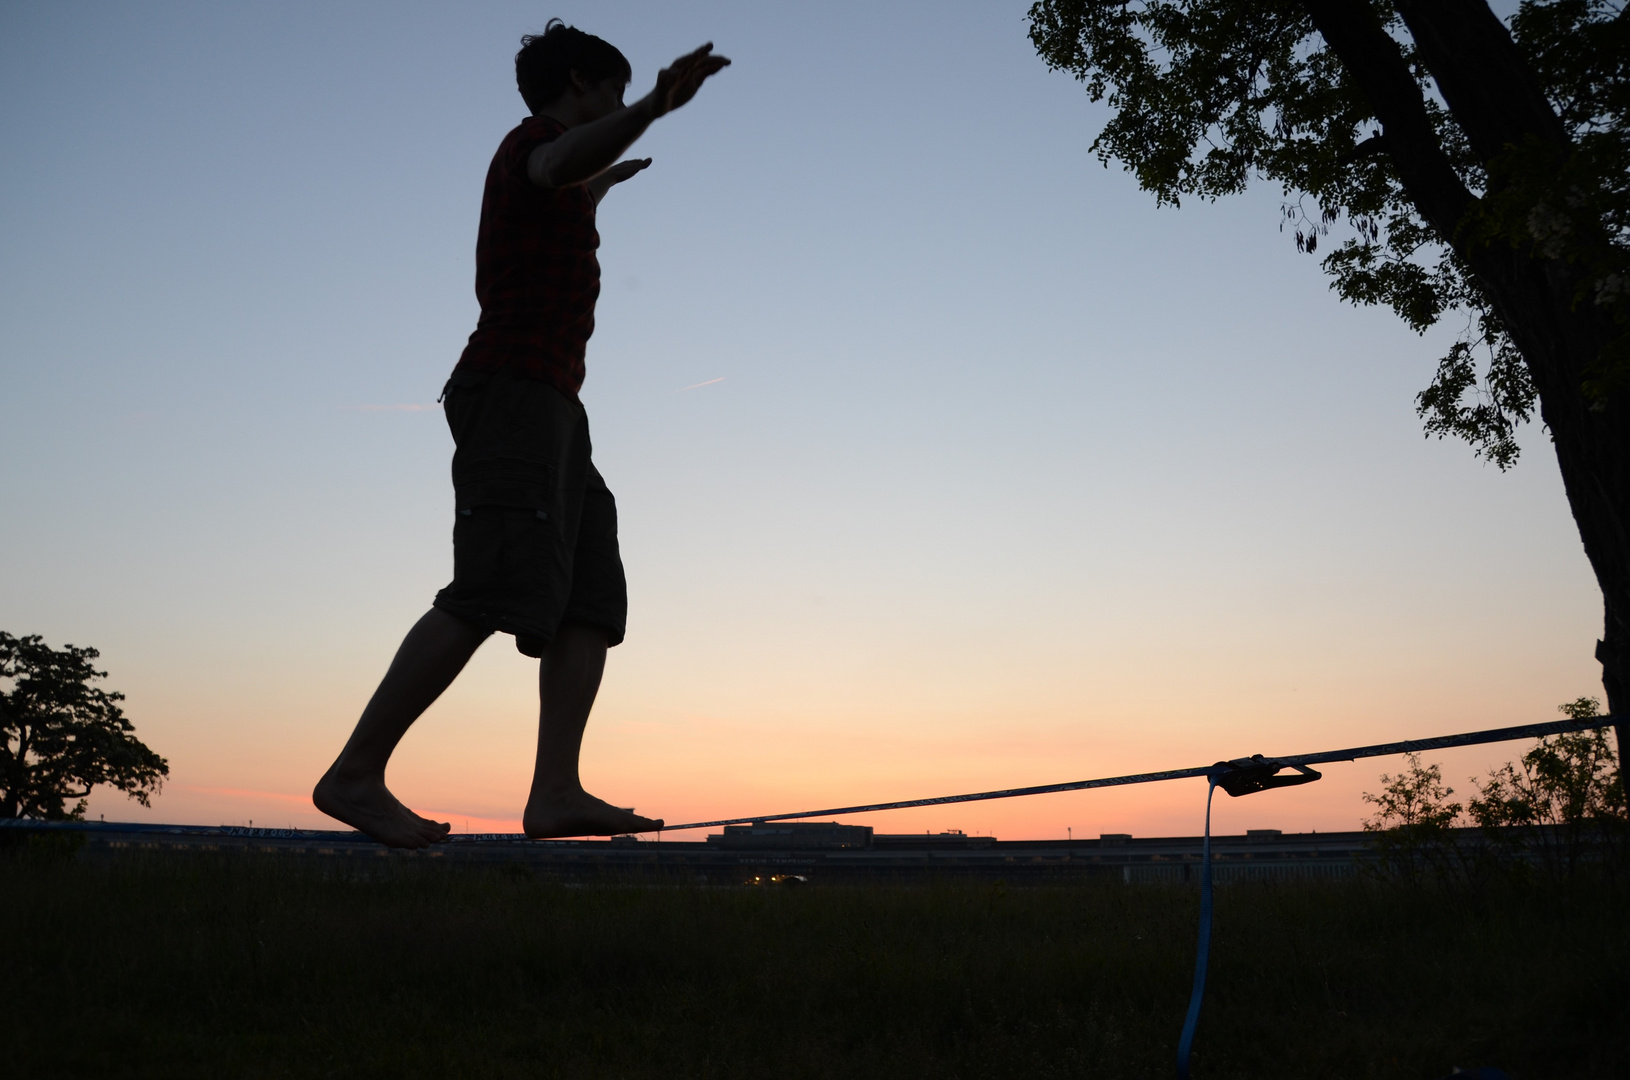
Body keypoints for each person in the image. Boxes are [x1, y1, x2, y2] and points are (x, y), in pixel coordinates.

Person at [313, 22, 730, 848]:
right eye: (610, 89)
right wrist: (653, 106)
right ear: (580, 84)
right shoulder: (534, 144)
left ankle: (555, 789)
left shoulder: (565, 179)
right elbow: (553, 165)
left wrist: (605, 181)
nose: (616, 101)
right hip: (512, 394)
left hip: (554, 409)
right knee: (491, 587)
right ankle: (355, 773)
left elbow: (568, 185)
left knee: (590, 593)